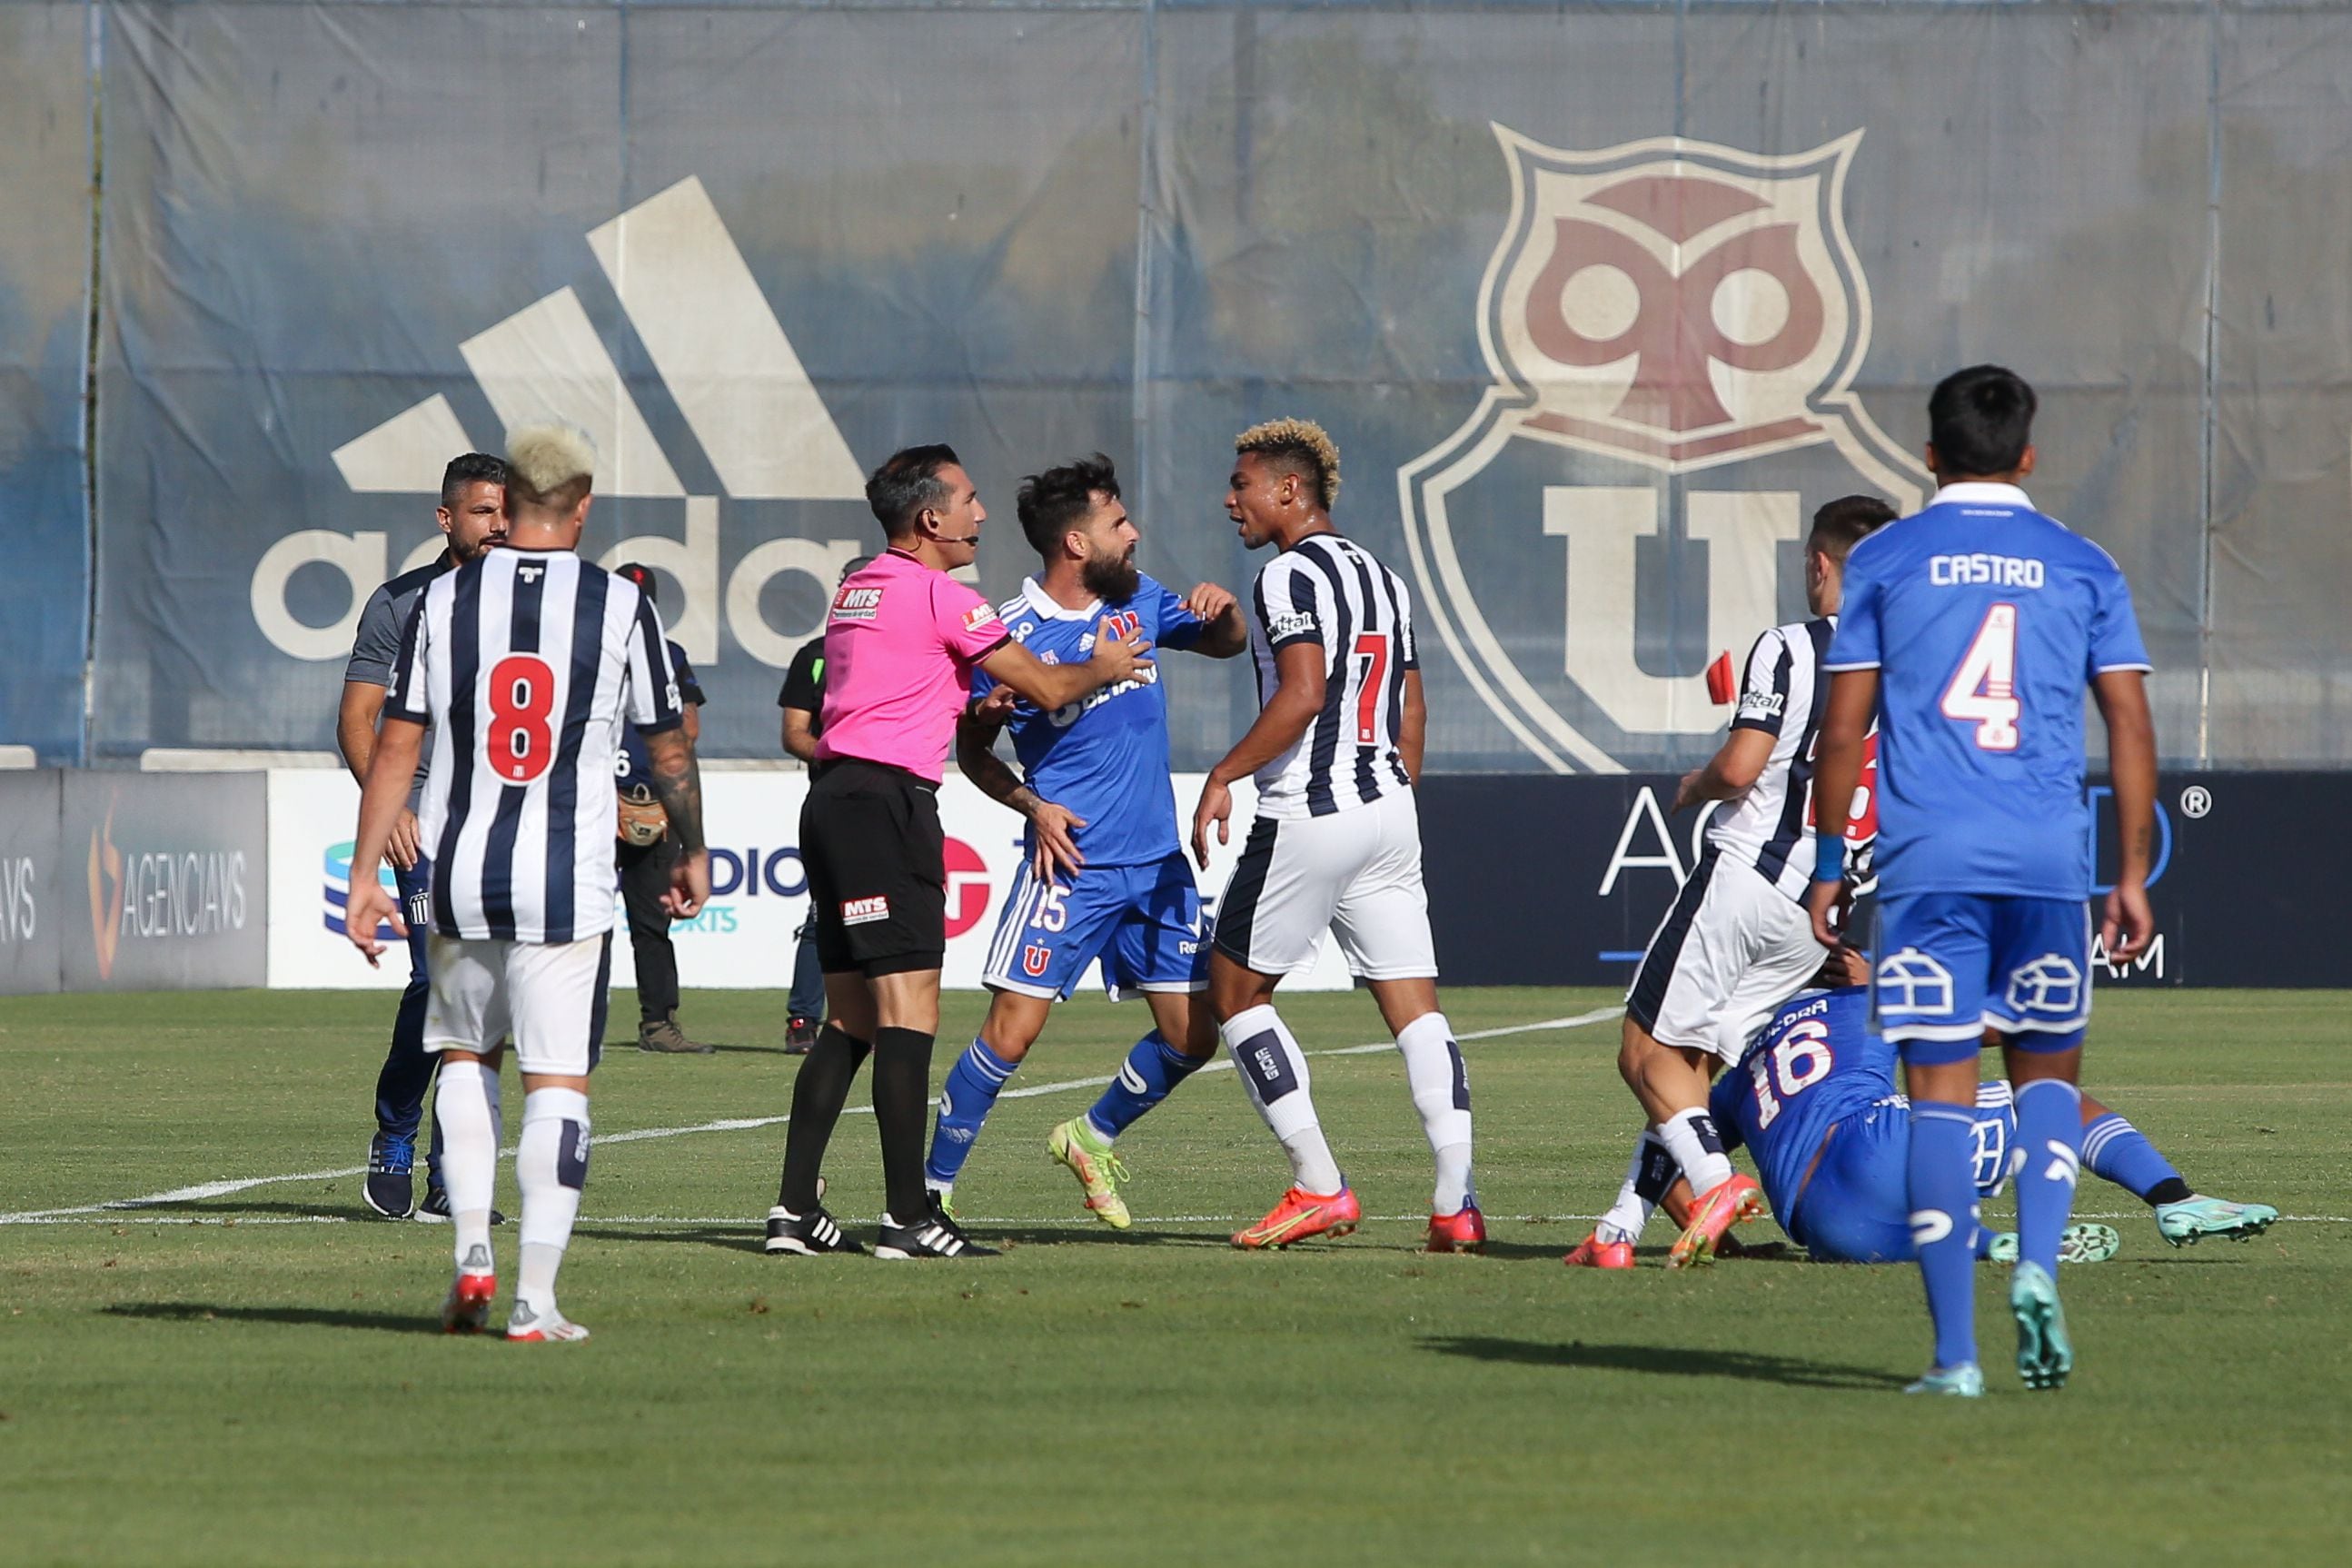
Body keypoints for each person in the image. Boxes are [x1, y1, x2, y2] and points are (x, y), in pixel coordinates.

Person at [1806, 364, 2160, 1396]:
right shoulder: (2083, 563)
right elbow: (2130, 720)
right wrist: (2130, 872)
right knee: (2044, 1076)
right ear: (2030, 455)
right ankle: (2039, 1267)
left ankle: (1955, 1356)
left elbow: (1843, 728)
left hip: (1928, 870)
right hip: (2050, 862)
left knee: (1939, 1099)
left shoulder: (1885, 558)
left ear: (1927, 454)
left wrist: (1832, 864)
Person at [342, 423, 709, 1342]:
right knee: (558, 1081)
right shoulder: (621, 605)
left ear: (510, 498)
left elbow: (397, 742)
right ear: (582, 505)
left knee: (467, 1059)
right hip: (566, 876)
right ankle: (534, 1298)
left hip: (463, 868)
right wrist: (692, 847)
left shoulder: (444, 600)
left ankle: (470, 1253)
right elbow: (667, 748)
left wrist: (363, 868)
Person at [761, 444, 1152, 1262]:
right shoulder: (943, 593)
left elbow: (901, 682)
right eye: (969, 501)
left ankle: (795, 1210)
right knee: (910, 1016)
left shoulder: (857, 586)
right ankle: (910, 1218)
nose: (980, 516)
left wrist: (973, 698)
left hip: (830, 801)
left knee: (851, 1019)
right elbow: (1049, 687)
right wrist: (1104, 663)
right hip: (886, 807)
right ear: (929, 518)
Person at [925, 455, 1246, 1226]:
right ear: (1075, 542)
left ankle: (1090, 1134)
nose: (1133, 534)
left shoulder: (1139, 602)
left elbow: (1227, 642)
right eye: (1117, 523)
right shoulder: (1009, 633)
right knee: (1012, 1033)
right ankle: (928, 1192)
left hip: (1158, 864)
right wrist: (1031, 805)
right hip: (1072, 866)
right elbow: (971, 754)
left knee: (1192, 1035)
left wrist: (1224, 609)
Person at [1190, 418, 1480, 1253]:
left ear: (1287, 490)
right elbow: (1412, 706)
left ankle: (1318, 1184)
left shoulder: (1286, 578)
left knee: (1234, 994)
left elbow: (1302, 694)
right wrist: (1391, 799)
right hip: (1388, 809)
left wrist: (1223, 774)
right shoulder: (1383, 578)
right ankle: (1455, 1201)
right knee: (1415, 1012)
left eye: (1241, 484)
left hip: (1310, 813)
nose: (1229, 498)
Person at [1595, 495, 1896, 1270]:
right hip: (1818, 911)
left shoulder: (1793, 647)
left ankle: (1713, 1180)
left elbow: (1740, 768)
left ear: (1817, 564)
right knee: (1692, 1069)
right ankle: (1618, 1229)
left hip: (1747, 877)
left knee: (1644, 1052)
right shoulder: (1917, 675)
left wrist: (1694, 785)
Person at [1577, 949, 2277, 1267]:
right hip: (1876, 1143)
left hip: (1823, 1225)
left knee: (1916, 1235)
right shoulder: (1864, 998)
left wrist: (1728, 1249)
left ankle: (1989, 1248)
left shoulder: (1730, 1082)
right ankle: (2173, 1197)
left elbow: (1669, 1174)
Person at [337, 452, 508, 1220]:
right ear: (446, 518)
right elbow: (356, 721)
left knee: (487, 998)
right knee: (436, 980)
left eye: (506, 512)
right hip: (427, 821)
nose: (498, 526)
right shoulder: (400, 604)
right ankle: (394, 1133)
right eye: (482, 512)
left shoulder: (538, 604)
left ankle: (454, 1175)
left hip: (508, 823)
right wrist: (395, 806)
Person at [610, 562, 711, 1055]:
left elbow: (687, 730)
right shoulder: (585, 652)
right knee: (578, 924)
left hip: (652, 800)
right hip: (592, 801)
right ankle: (571, 1022)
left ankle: (658, 1022)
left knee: (653, 923)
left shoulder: (669, 655)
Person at [775, 558, 872, 1054]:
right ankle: (802, 1020)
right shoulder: (815, 655)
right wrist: (843, 757)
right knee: (823, 915)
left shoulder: (900, 652)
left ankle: (882, 1020)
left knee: (885, 916)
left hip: (890, 801)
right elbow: (794, 734)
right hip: (833, 801)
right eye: (849, 587)